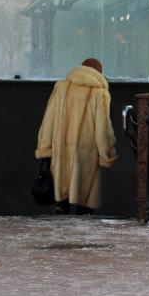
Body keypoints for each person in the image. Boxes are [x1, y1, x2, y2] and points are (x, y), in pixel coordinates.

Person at [35, 58, 117, 215]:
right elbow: (103, 129)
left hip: (61, 155)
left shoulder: (61, 87)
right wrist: (107, 155)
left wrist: (44, 146)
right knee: (85, 201)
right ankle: (83, 226)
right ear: (99, 73)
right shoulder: (100, 93)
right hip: (86, 156)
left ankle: (62, 210)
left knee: (62, 197)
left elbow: (48, 120)